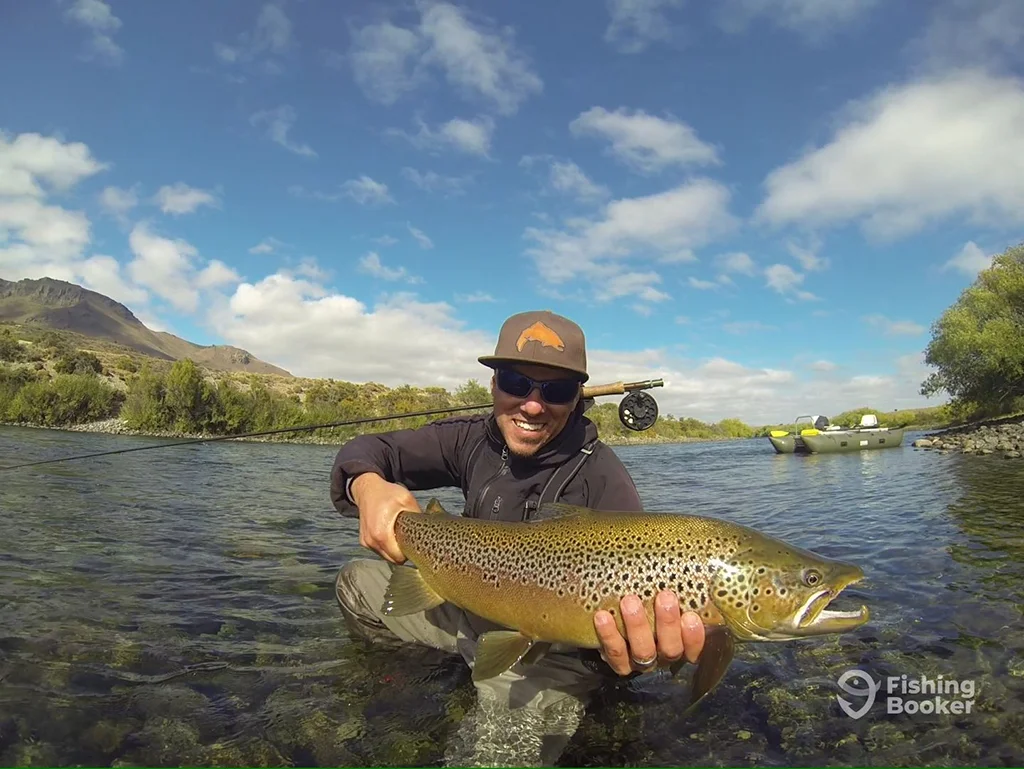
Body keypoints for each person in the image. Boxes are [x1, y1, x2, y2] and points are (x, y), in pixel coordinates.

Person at [330, 309, 705, 766]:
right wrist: (367, 487)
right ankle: (415, 682)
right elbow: (367, 450)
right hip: (462, 603)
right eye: (515, 382)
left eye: (556, 390)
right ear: (493, 385)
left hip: (546, 653)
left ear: (576, 399)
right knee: (355, 582)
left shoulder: (605, 481)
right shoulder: (471, 439)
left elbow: (630, 630)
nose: (532, 405)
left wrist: (641, 658)